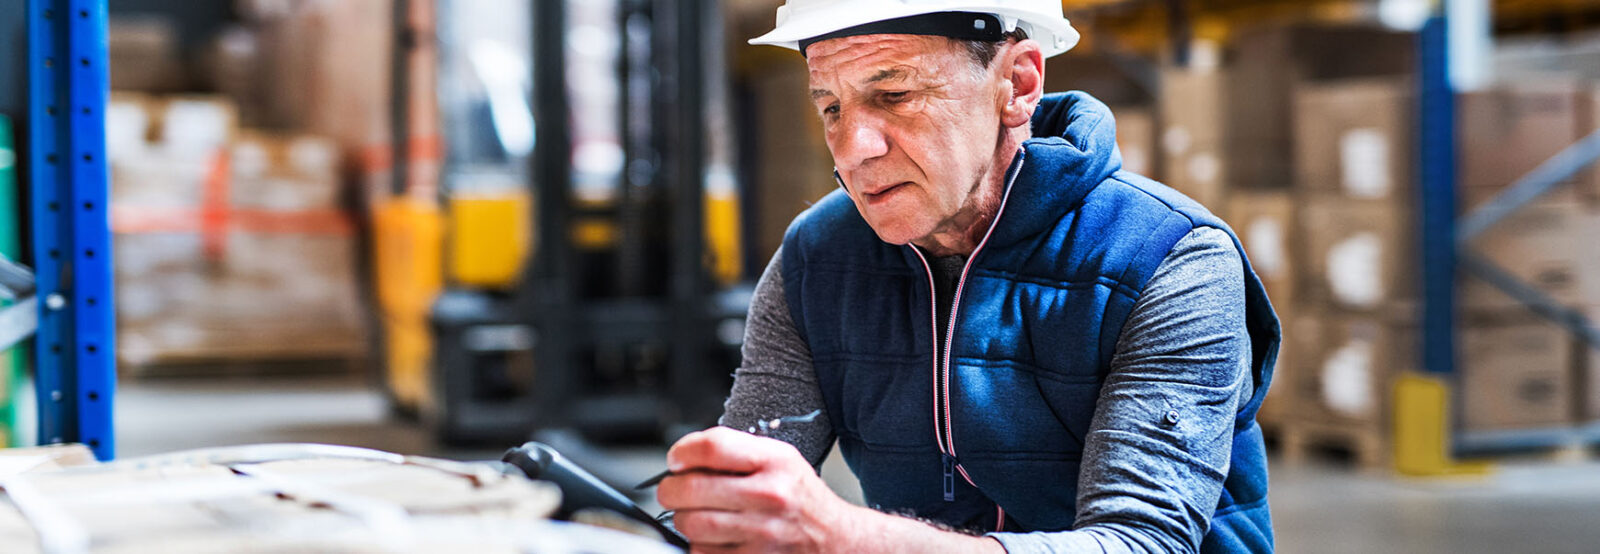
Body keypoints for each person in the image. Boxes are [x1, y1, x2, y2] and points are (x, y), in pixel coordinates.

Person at [657, 2, 1279, 552]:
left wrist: (847, 539)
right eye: (832, 107)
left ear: (1017, 82)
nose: (851, 149)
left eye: (894, 95)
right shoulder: (817, 260)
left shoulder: (1167, 258)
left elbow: (1144, 543)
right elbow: (747, 486)